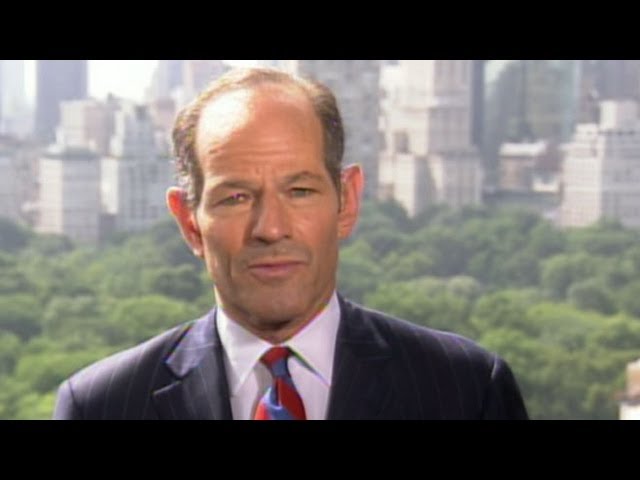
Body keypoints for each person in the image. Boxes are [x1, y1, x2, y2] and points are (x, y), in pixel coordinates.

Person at [53, 67, 528, 420]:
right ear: (189, 222)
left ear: (347, 202)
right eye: (235, 198)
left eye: (300, 191)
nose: (271, 228)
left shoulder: (467, 391)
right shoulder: (101, 406)